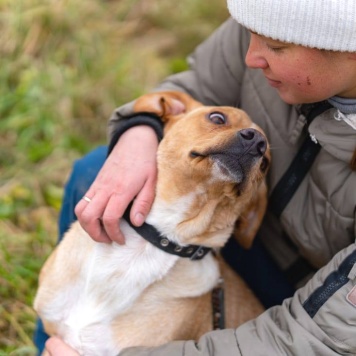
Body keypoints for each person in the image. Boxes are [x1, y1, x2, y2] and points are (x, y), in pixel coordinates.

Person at [35, 0, 356, 354]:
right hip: (231, 232)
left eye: (278, 47)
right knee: (97, 172)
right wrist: (139, 128)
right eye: (250, 34)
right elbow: (196, 88)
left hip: (316, 302)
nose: (252, 58)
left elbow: (322, 334)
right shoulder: (268, 23)